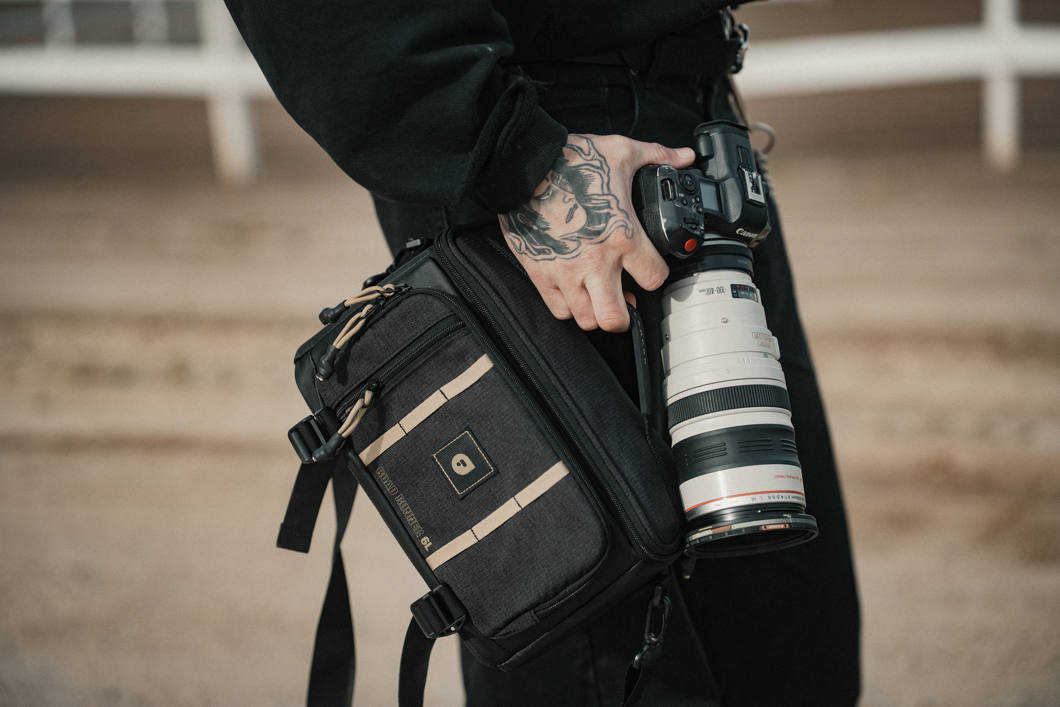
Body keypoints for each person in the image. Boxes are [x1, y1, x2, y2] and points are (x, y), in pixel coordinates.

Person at [225, 1, 861, 704]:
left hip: (691, 122)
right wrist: (522, 160)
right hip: (548, 159)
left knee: (790, 651)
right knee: (598, 637)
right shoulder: (523, 155)